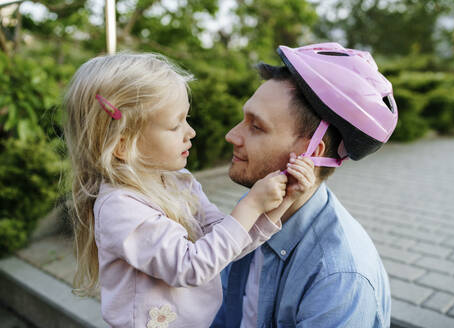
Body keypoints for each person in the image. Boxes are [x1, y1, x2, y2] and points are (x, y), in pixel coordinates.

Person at [62, 52, 316, 328]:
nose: (191, 132)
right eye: (175, 125)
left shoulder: (178, 180)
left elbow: (225, 243)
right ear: (124, 145)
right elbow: (191, 266)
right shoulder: (120, 207)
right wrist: (252, 204)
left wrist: (283, 202)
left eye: (187, 118)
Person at [212, 43, 398, 328]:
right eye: (243, 119)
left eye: (256, 126)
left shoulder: (338, 279)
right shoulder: (252, 207)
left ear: (311, 152)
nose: (231, 136)